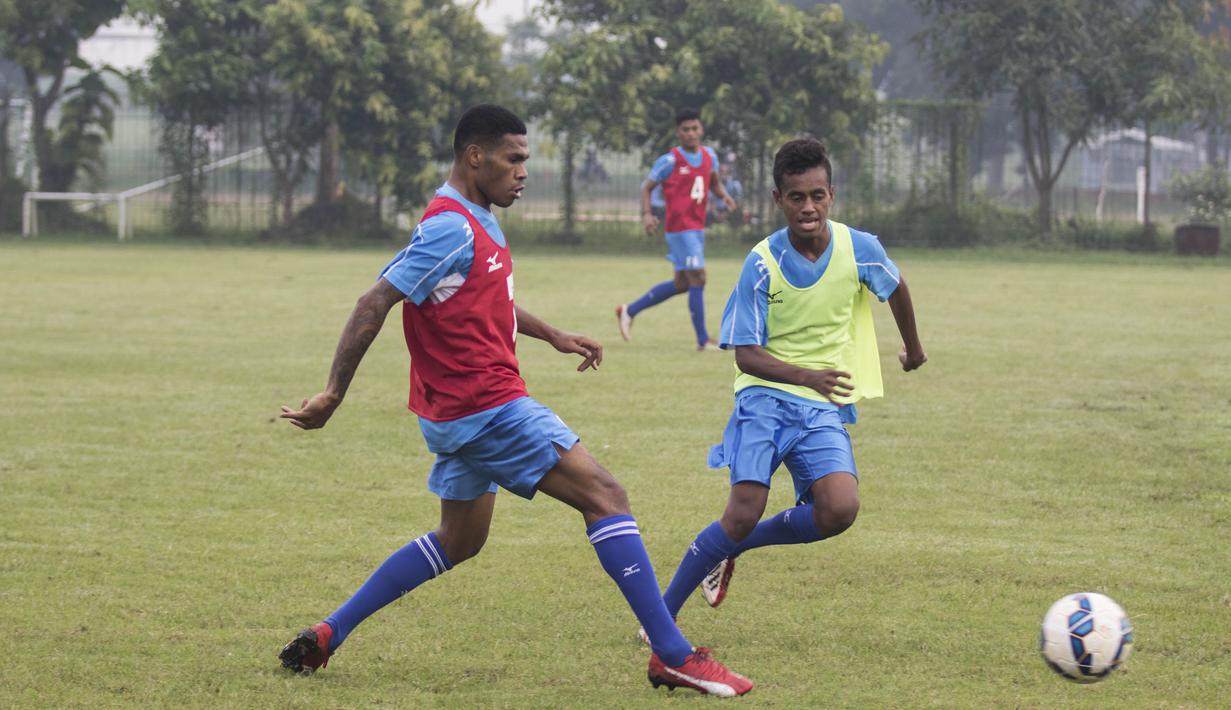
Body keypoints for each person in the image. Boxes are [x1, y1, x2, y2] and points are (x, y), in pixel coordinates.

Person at [276, 105, 751, 697]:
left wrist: (553, 334)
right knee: (605, 495)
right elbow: (374, 302)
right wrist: (332, 394)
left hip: (457, 415)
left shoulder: (475, 217)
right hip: (486, 406)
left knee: (459, 540)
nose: (524, 171)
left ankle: (328, 632)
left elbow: (484, 294)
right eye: (514, 158)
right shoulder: (450, 225)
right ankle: (671, 654)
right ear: (476, 156)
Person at [657, 137, 927, 627]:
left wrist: (914, 347)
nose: (809, 207)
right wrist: (807, 375)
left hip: (819, 403)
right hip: (764, 396)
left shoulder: (859, 248)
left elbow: (897, 286)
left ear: (832, 194)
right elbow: (746, 354)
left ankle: (731, 549)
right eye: (797, 197)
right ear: (778, 199)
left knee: (839, 509)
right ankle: (659, 620)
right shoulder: (761, 262)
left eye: (818, 195)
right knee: (741, 510)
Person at [615, 108, 737, 350]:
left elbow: (713, 182)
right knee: (698, 277)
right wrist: (647, 214)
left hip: (697, 227)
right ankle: (703, 340)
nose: (691, 133)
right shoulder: (670, 160)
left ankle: (629, 310)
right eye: (685, 130)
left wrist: (724, 196)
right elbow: (647, 187)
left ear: (701, 130)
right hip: (680, 228)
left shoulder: (709, 156)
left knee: (682, 283)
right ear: (678, 133)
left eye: (695, 128)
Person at [708, 162, 746, 228]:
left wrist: (726, 214)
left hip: (729, 211)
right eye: (721, 172)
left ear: (728, 173)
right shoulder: (713, 184)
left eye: (725, 172)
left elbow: (737, 202)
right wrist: (716, 214)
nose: (723, 174)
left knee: (738, 214)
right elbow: (711, 202)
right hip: (716, 211)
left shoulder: (735, 185)